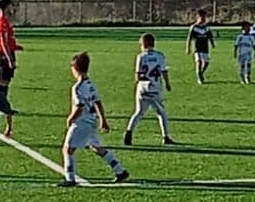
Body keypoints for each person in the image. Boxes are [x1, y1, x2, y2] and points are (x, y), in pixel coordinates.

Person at [61, 52, 130, 186]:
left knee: (67, 149)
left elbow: (79, 107)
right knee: (96, 147)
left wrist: (70, 118)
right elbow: (98, 102)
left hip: (81, 122)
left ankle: (70, 179)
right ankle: (120, 171)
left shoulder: (78, 87)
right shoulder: (91, 85)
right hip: (91, 121)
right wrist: (103, 119)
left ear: (75, 69)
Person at [124, 33, 174, 146]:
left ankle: (128, 132)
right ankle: (166, 136)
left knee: (138, 112)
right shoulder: (160, 56)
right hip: (155, 87)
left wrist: (138, 86)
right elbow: (164, 71)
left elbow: (137, 75)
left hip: (143, 87)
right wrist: (167, 83)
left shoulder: (141, 57)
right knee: (161, 113)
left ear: (144, 44)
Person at [0, 0, 21, 94]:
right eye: (10, 6)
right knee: (3, 81)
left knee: (6, 80)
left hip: (7, 52)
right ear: (7, 7)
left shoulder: (3, 20)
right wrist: (9, 59)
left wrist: (15, 46)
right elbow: (3, 42)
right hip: (4, 55)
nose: (11, 8)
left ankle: (1, 102)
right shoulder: (2, 22)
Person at [187, 9, 215, 83]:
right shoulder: (194, 27)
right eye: (202, 17)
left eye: (205, 17)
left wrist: (212, 43)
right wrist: (188, 48)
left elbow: (210, 36)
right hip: (197, 47)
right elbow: (189, 38)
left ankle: (201, 73)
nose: (203, 19)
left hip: (205, 47)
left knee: (206, 62)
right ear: (198, 17)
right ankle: (199, 77)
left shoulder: (206, 27)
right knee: (198, 61)